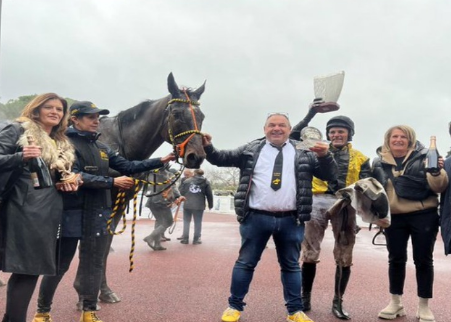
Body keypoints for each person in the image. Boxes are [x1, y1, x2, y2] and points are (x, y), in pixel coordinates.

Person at [31, 101, 175, 322]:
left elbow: (127, 166)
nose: (96, 120)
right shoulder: (63, 144)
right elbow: (72, 175)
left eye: (98, 116)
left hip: (98, 214)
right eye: (90, 117)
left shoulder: (103, 148)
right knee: (60, 265)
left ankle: (89, 311)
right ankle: (42, 311)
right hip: (71, 212)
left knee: (95, 264)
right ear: (75, 120)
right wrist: (112, 181)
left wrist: (161, 160)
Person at [204, 113, 337, 322]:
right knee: (245, 263)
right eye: (272, 125)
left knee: (291, 265)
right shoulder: (251, 148)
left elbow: (329, 175)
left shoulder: (303, 149)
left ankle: (295, 311)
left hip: (291, 219)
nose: (277, 128)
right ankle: (234, 306)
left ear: (290, 128)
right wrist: (208, 146)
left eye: (282, 125)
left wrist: (325, 155)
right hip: (256, 217)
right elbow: (220, 158)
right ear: (264, 129)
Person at [0, 93, 80, 322]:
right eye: (49, 107)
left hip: (49, 211)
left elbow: (51, 178)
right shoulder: (19, 130)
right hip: (22, 209)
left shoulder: (60, 142)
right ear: (36, 110)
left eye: (60, 109)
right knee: (28, 269)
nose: (55, 112)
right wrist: (20, 156)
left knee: (31, 269)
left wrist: (70, 182)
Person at [290, 114, 371, 319]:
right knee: (309, 251)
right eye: (332, 132)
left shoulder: (362, 158)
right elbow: (292, 136)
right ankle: (305, 297)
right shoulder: (312, 151)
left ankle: (338, 302)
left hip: (345, 202)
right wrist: (310, 113)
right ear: (327, 134)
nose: (336, 135)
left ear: (349, 134)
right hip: (317, 201)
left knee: (345, 253)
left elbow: (366, 184)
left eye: (340, 131)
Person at [372, 125, 448, 322]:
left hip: (423, 215)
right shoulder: (378, 162)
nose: (398, 140)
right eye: (394, 136)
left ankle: (424, 306)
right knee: (395, 259)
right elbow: (372, 192)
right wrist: (376, 215)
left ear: (411, 139)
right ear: (388, 139)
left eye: (403, 137)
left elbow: (439, 187)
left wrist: (437, 171)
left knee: (423, 260)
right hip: (394, 217)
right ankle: (395, 303)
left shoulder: (426, 157)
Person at [143, 166, 185, 250]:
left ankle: (157, 244)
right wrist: (178, 197)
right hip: (162, 201)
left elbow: (145, 189)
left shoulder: (150, 174)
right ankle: (150, 237)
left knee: (159, 221)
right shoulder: (168, 175)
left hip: (151, 201)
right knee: (169, 221)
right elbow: (173, 187)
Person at [178, 168, 213, 244]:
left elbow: (181, 191)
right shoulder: (206, 182)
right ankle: (196, 239)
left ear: (194, 173)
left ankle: (185, 239)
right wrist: (210, 205)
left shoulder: (187, 181)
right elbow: (209, 195)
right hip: (199, 205)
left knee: (186, 222)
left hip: (187, 204)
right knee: (198, 222)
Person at [177, 169, 193, 240]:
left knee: (197, 221)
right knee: (186, 220)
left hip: (195, 201)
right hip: (186, 201)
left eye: (187, 175)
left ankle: (197, 236)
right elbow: (180, 189)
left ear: (191, 174)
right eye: (185, 175)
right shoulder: (183, 180)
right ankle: (184, 235)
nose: (186, 176)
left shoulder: (195, 179)